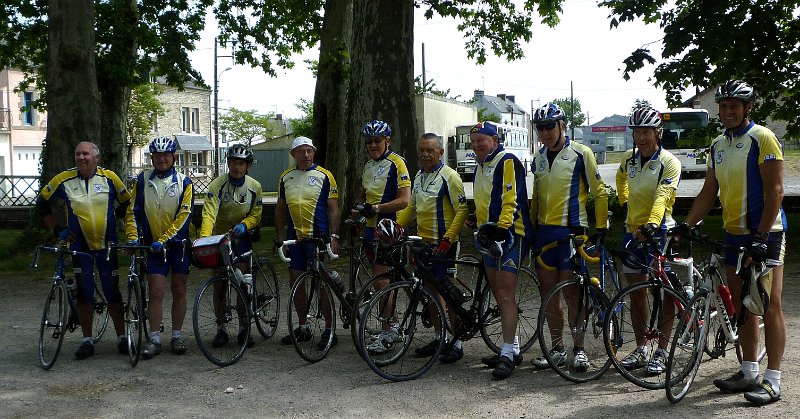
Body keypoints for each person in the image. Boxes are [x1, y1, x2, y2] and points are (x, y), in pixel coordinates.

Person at [675, 80, 786, 406]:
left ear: (748, 107)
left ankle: (773, 380)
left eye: (733, 106)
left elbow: (776, 191)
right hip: (733, 234)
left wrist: (761, 237)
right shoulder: (718, 144)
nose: (727, 112)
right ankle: (749, 371)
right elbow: (708, 192)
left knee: (769, 306)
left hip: (766, 233)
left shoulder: (762, 138)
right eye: (723, 106)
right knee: (742, 305)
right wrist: (684, 226)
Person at [529, 102, 609, 371]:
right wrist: (531, 230)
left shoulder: (581, 153)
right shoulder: (539, 158)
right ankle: (557, 348)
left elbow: (599, 192)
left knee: (572, 293)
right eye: (540, 128)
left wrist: (601, 229)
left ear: (562, 126)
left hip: (572, 232)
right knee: (548, 295)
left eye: (549, 127)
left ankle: (579, 349)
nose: (544, 132)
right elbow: (536, 197)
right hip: (544, 233)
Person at [37, 141, 130, 359]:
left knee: (112, 291)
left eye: (86, 154)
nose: (81, 157)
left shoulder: (110, 178)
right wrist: (57, 229)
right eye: (78, 154)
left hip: (107, 246)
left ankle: (122, 337)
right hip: (80, 247)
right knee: (85, 293)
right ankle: (87, 340)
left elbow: (127, 202)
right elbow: (41, 202)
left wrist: (114, 219)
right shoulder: (63, 179)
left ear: (97, 158)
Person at [614, 107, 681, 374]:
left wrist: (652, 223)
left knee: (662, 293)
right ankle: (641, 348)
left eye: (646, 132)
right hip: (632, 231)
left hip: (659, 231)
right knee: (636, 292)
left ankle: (662, 350)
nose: (641, 138)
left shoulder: (669, 162)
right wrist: (624, 200)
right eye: (637, 132)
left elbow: (663, 196)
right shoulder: (628, 159)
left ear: (658, 133)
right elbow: (620, 178)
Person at [467, 121, 534, 379]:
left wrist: (501, 229)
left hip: (511, 234)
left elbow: (511, 200)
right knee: (497, 292)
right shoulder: (480, 165)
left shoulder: (507, 161)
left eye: (481, 140)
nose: (476, 145)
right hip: (489, 236)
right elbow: (484, 200)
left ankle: (506, 355)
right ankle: (512, 348)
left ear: (494, 141)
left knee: (505, 293)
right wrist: (475, 219)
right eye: (473, 142)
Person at [396, 133, 469, 363]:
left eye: (430, 150)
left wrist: (448, 239)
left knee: (449, 293)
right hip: (424, 244)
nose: (425, 154)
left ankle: (457, 342)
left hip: (445, 244)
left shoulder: (450, 176)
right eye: (422, 150)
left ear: (440, 152)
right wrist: (396, 227)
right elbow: (411, 207)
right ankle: (440, 338)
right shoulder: (419, 176)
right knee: (431, 294)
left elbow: (462, 210)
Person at [126, 136, 193, 359]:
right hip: (154, 247)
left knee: (179, 289)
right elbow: (132, 211)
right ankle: (154, 338)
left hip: (178, 245)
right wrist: (133, 236)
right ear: (152, 158)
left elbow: (184, 216)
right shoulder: (142, 180)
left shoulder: (184, 182)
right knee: (155, 290)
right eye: (157, 155)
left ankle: (177, 335)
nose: (161, 159)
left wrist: (165, 239)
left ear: (174, 158)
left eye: (165, 155)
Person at [351, 120, 411, 353]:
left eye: (377, 141)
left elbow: (404, 199)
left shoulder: (397, 163)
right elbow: (363, 194)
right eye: (369, 142)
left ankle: (387, 332)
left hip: (389, 228)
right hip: (370, 229)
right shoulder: (368, 165)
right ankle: (392, 326)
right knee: (381, 282)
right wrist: (358, 209)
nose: (373, 145)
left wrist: (376, 208)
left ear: (388, 141)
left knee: (382, 282)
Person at [274, 137, 340, 349]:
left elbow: (333, 209)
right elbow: (280, 209)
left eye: (309, 151)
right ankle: (303, 327)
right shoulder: (285, 177)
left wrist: (334, 236)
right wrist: (280, 237)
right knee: (296, 282)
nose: (305, 155)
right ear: (293, 154)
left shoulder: (325, 175)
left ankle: (329, 329)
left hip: (318, 238)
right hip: (295, 239)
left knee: (321, 283)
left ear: (314, 152)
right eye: (301, 151)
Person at [199, 143, 263, 348]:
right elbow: (209, 213)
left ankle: (244, 328)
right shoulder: (217, 185)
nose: (237, 167)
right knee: (219, 283)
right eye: (233, 162)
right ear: (228, 163)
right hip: (219, 237)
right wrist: (205, 239)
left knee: (242, 282)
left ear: (248, 166)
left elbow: (256, 214)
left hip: (241, 236)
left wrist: (246, 225)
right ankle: (221, 329)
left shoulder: (254, 186)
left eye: (241, 164)